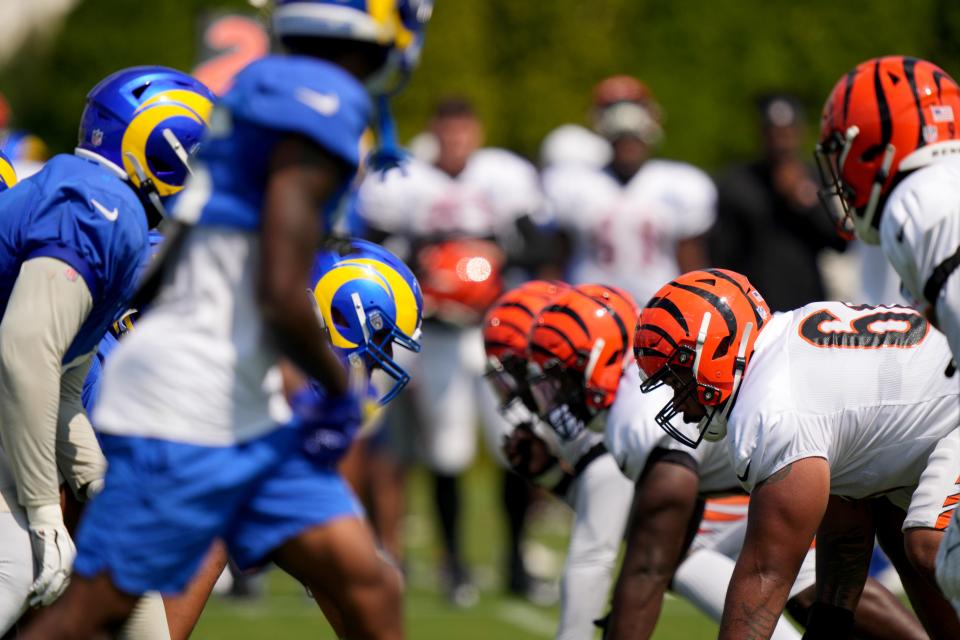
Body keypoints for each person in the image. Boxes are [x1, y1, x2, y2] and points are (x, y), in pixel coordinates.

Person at [20, 2, 432, 638]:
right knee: (97, 613)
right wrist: (337, 388)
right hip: (194, 395)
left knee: (369, 585)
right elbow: (275, 288)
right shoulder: (319, 98)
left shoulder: (262, 89)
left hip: (226, 388)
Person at [0, 67, 213, 637]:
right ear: (161, 144)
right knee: (19, 561)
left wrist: (100, 484)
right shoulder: (99, 204)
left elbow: (64, 387)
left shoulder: (114, 212)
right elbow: (23, 350)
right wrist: (46, 512)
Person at [634, 269, 960, 639]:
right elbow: (849, 524)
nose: (680, 402)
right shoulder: (787, 342)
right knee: (898, 528)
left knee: (929, 542)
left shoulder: (769, 411)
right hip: (945, 419)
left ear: (717, 349)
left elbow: (766, 574)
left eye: (679, 380)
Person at [355, 95, 554, 605]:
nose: (456, 140)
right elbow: (369, 248)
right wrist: (424, 262)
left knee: (513, 442)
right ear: (434, 132)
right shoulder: (407, 182)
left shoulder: (503, 176)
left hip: (495, 331)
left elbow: (539, 246)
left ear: (477, 133)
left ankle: (515, 563)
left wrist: (494, 253)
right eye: (448, 130)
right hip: (438, 333)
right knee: (447, 452)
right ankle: (455, 566)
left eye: (464, 130)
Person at [815, 55, 960, 616]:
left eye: (841, 151)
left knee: (944, 553)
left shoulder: (920, 201)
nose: (839, 170)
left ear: (875, 141)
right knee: (931, 544)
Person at [543, 75, 715, 305]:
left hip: (659, 309)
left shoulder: (681, 184)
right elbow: (558, 257)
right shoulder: (573, 184)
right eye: (622, 140)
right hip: (588, 309)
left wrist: (698, 302)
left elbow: (690, 259)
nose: (629, 148)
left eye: (634, 140)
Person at [710, 93, 847, 311]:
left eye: (788, 134)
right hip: (753, 307)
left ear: (800, 133)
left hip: (808, 305)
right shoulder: (737, 183)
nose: (781, 143)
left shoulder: (815, 177)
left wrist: (804, 199)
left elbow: (840, 242)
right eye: (774, 134)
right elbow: (720, 253)